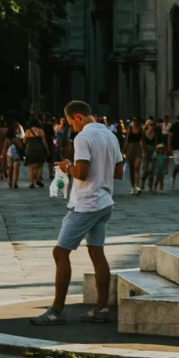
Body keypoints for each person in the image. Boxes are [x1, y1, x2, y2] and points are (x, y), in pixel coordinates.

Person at [37, 100, 121, 325]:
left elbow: (82, 173)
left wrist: (66, 167)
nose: (72, 128)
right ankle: (101, 308)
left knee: (60, 252)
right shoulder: (110, 135)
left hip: (86, 202)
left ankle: (56, 310)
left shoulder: (83, 137)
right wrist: (100, 171)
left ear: (77, 117)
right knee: (97, 252)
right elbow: (119, 171)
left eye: (71, 123)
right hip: (105, 200)